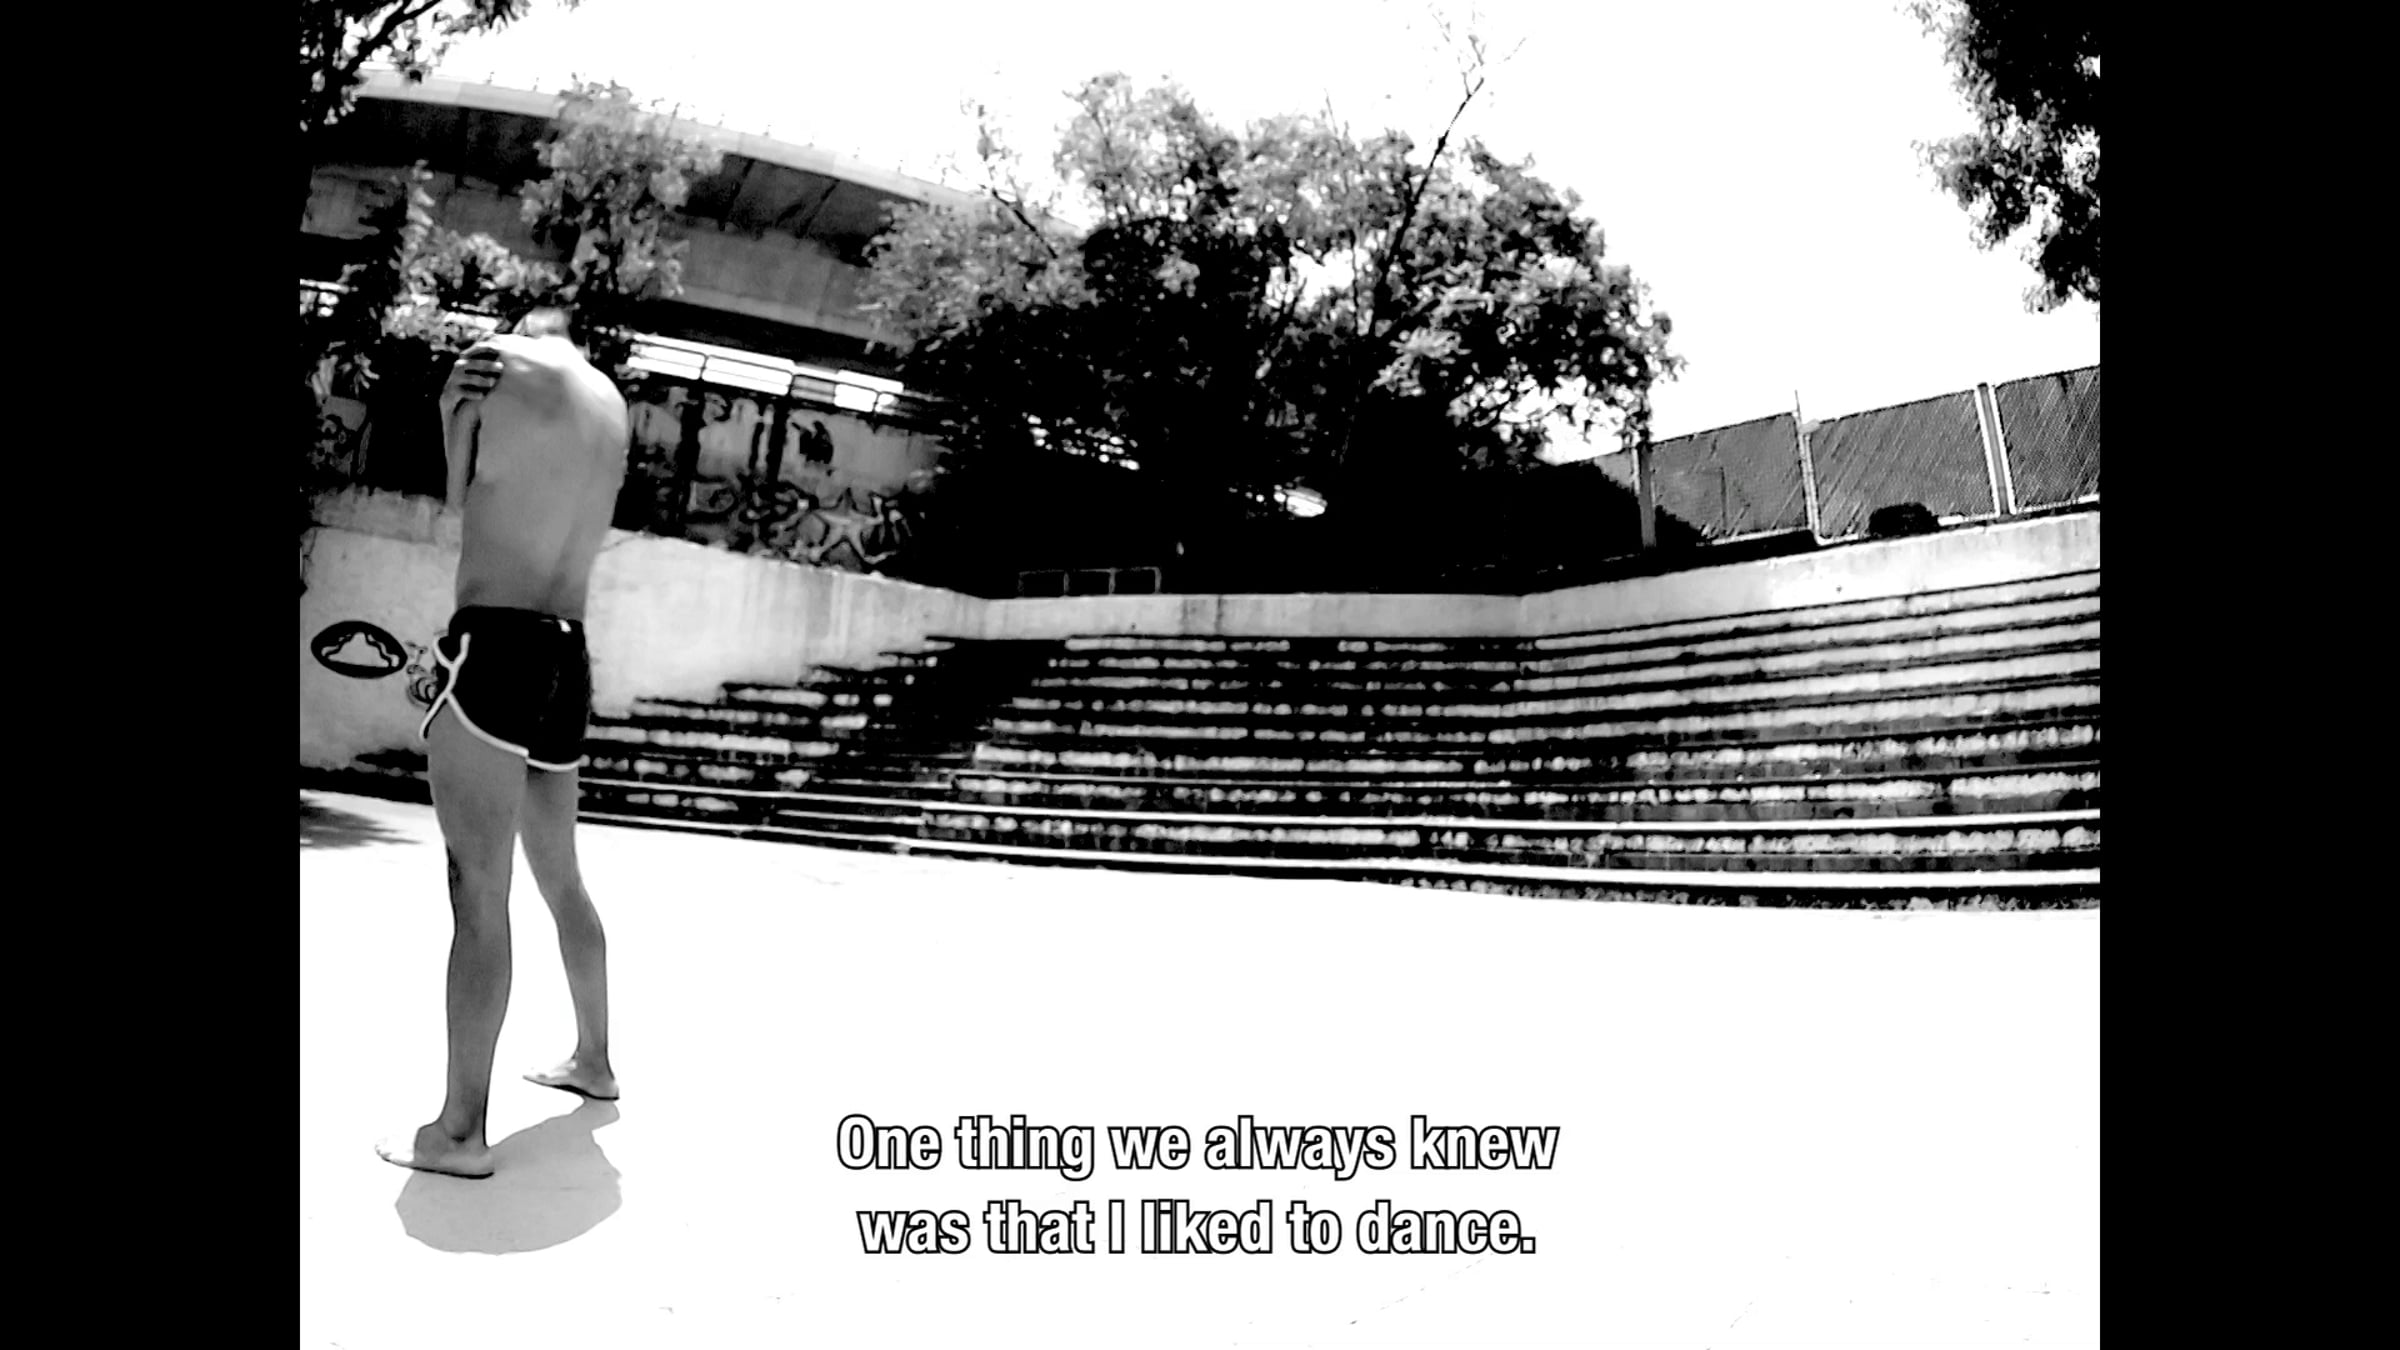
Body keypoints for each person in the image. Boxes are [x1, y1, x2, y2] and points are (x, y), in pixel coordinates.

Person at [377, 307, 631, 1180]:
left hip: (496, 641)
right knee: (563, 880)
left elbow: (461, 498)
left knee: (478, 891)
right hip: (567, 649)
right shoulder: (608, 402)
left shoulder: (495, 360)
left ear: (524, 326)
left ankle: (458, 1133)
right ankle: (594, 1061)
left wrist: (450, 409)